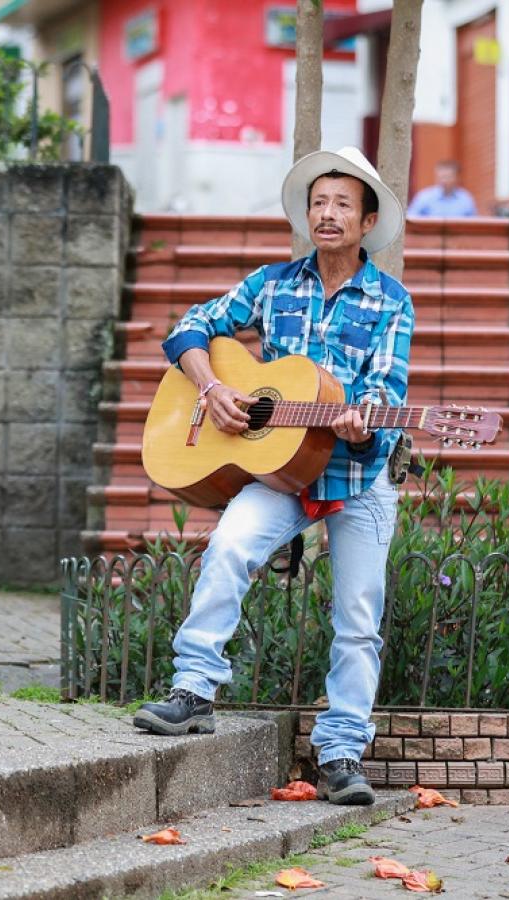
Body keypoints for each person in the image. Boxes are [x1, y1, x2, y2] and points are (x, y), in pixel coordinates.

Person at [133, 146, 414, 807]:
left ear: (367, 220)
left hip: (357, 474)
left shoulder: (391, 301)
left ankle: (341, 753)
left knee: (357, 615)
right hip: (283, 470)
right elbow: (190, 327)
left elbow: (385, 390)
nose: (328, 213)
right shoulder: (272, 284)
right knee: (228, 548)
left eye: (343, 203)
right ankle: (194, 692)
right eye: (319, 202)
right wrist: (211, 389)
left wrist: (364, 422)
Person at [406, 159, 477, 217]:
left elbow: (473, 223)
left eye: (447, 177)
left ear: (457, 178)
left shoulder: (465, 198)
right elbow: (411, 219)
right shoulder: (424, 197)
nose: (443, 180)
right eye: (441, 177)